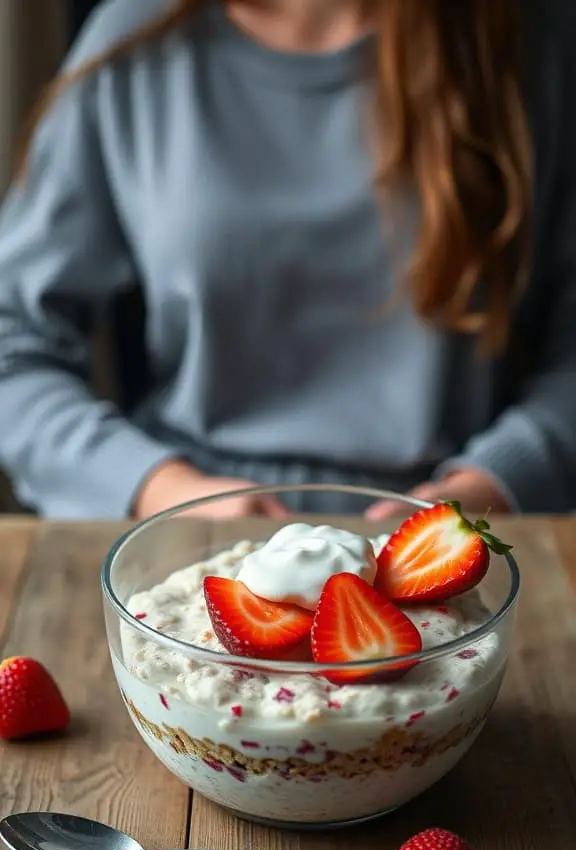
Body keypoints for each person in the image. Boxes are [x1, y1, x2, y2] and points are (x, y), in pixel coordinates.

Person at [0, 0, 574, 521]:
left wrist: (495, 481)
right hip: (188, 532)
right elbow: (13, 343)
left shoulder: (530, 44)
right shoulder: (137, 45)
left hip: (456, 530)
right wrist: (160, 490)